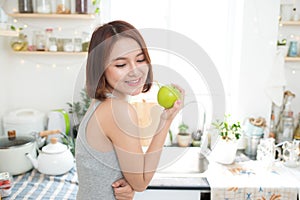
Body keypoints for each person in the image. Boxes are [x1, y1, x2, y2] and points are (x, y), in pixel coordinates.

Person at [75, 20, 184, 200]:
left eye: (140, 59)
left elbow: (122, 176)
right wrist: (166, 121)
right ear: (100, 69)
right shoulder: (118, 110)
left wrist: (129, 181)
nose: (135, 71)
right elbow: (141, 182)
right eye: (120, 65)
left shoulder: (100, 104)